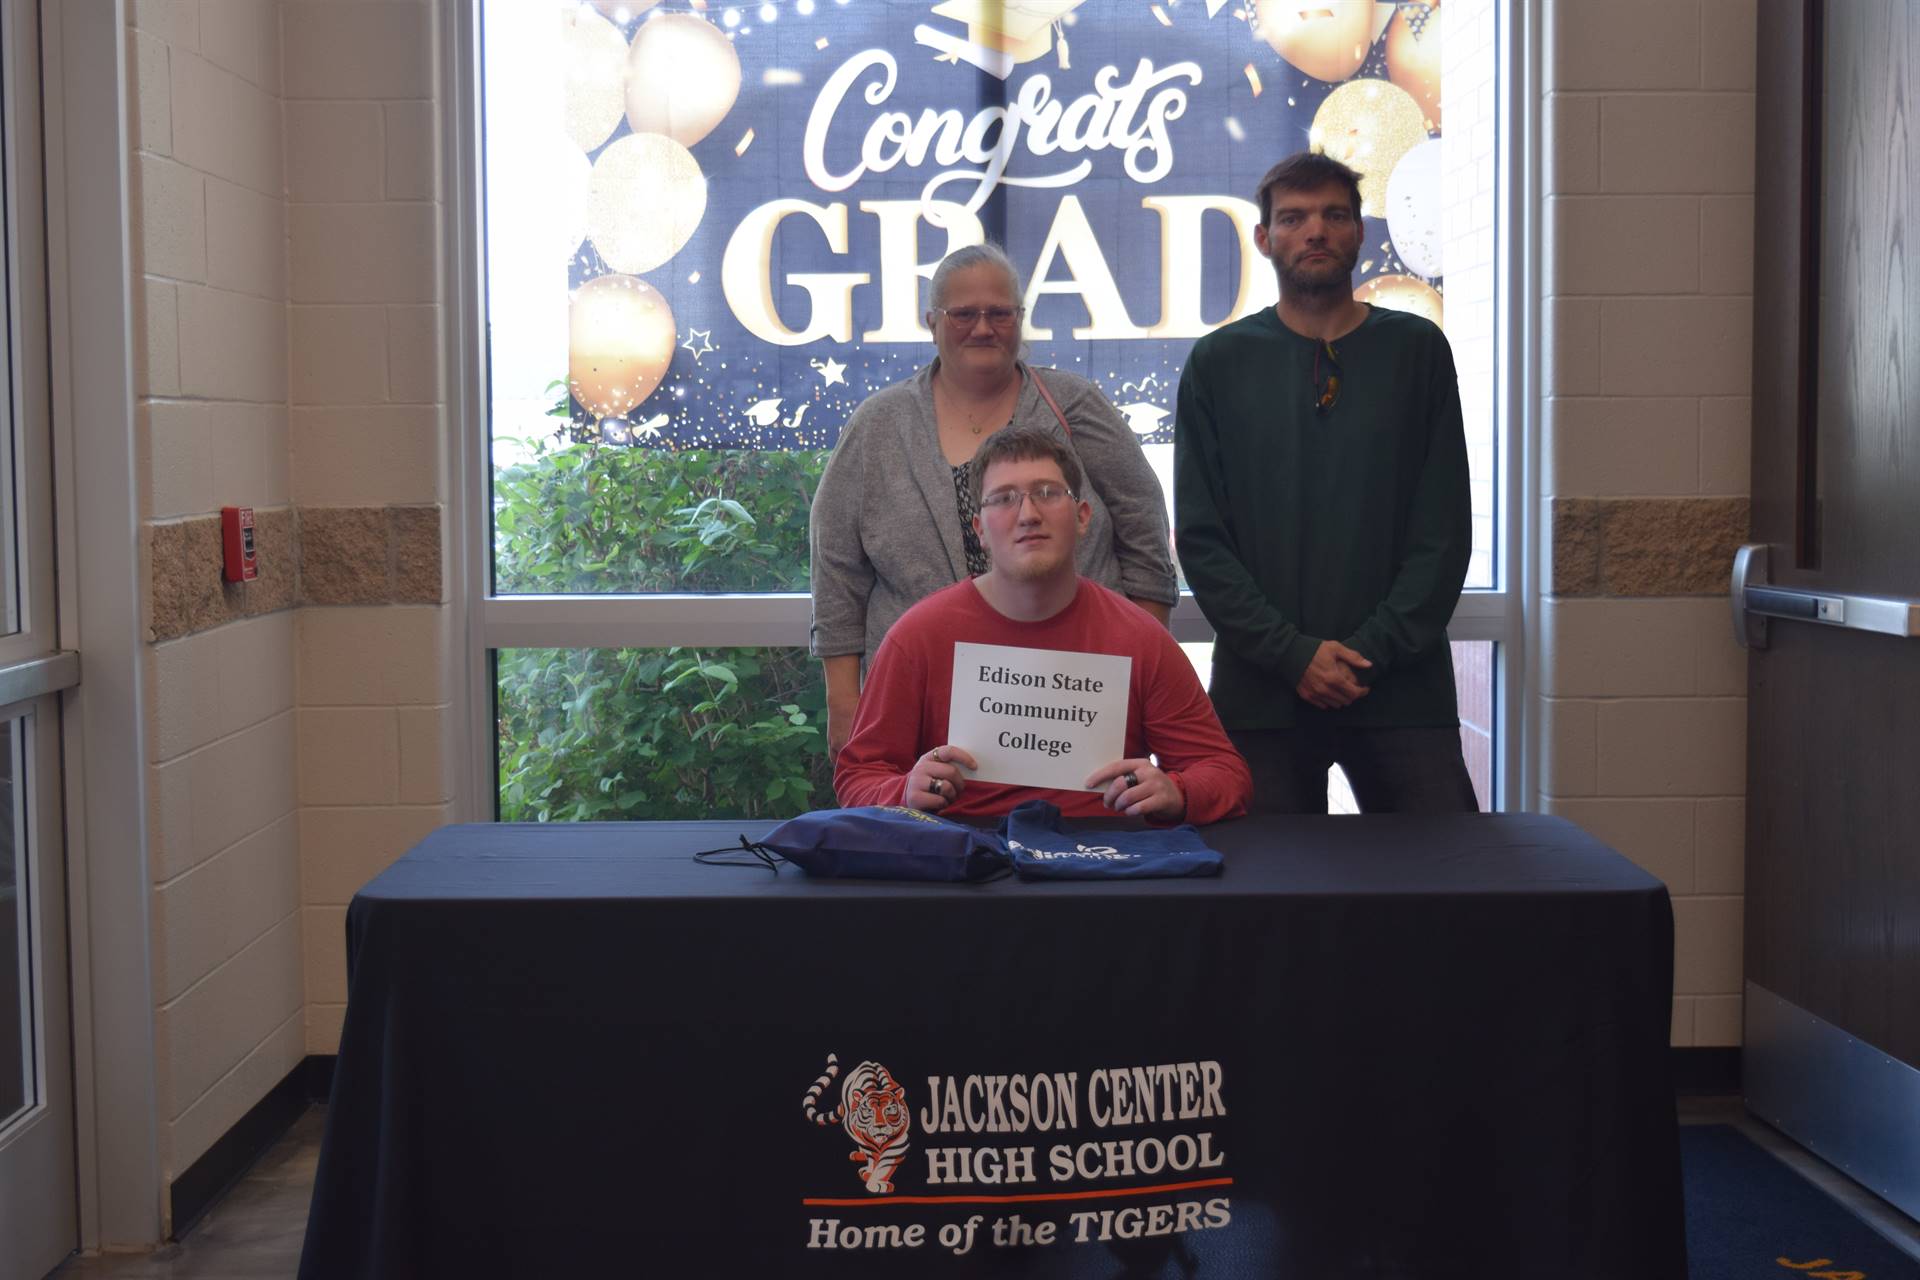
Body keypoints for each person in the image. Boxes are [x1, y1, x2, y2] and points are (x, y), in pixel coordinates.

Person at [1173, 151, 1476, 814]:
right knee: (1266, 905)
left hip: (1402, 693)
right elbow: (1202, 539)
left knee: (1452, 897)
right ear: (1264, 238)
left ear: (1361, 232)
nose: (1316, 231)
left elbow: (1443, 531)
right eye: (1295, 217)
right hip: (1262, 698)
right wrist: (1292, 656)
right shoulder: (1218, 364)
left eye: (1335, 215)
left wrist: (1369, 652)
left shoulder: (1417, 351)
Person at [810, 243, 1178, 759]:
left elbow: (1145, 529)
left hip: (1074, 699)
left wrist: (1138, 669)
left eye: (1000, 313)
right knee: (936, 832)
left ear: (1021, 319)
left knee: (1084, 832)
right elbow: (836, 572)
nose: (983, 328)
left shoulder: (1075, 405)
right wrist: (844, 702)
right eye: (963, 314)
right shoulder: (878, 426)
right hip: (924, 702)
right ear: (931, 321)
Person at [836, 427, 1250, 824]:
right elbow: (858, 777)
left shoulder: (1139, 638)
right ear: (980, 530)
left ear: (1083, 516)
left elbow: (1225, 772)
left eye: (1048, 493)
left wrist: (1177, 792)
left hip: (1102, 869)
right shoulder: (918, 638)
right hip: (963, 869)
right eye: (1003, 499)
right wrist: (903, 791)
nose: (1028, 514)